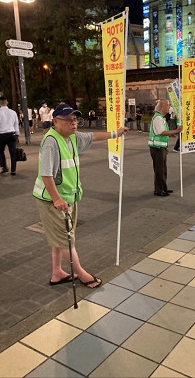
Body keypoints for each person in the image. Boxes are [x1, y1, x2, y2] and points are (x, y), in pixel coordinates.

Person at [33, 103, 128, 288]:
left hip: (68, 198)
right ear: (55, 122)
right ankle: (81, 273)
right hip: (52, 201)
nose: (73, 123)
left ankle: (57, 273)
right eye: (67, 120)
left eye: (75, 119)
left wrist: (116, 133)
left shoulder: (72, 138)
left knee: (59, 238)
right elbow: (46, 174)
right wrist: (56, 199)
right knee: (66, 239)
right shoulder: (51, 141)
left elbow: (94, 136)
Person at [148, 99, 182, 196]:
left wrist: (165, 146)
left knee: (163, 169)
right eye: (167, 105)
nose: (169, 107)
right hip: (156, 148)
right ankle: (158, 190)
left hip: (160, 147)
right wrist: (176, 131)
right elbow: (162, 133)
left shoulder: (161, 117)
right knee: (159, 170)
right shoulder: (158, 118)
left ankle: (163, 188)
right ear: (162, 107)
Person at [0, 96, 19, 175]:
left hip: (2, 135)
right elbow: (16, 124)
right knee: (12, 152)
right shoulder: (13, 112)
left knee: (0, 150)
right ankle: (13, 170)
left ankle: (4, 166)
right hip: (11, 134)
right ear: (7, 102)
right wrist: (17, 134)